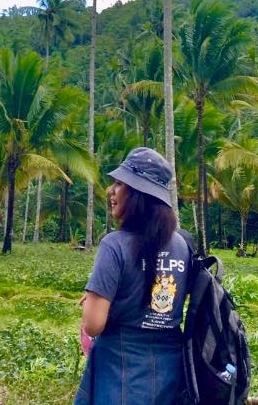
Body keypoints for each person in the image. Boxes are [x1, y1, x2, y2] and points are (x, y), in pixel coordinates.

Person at [74, 147, 191, 405]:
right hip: (169, 373)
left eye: (119, 184)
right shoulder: (182, 246)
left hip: (120, 370)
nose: (110, 191)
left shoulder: (113, 245)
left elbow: (93, 324)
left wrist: (95, 299)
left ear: (138, 194)